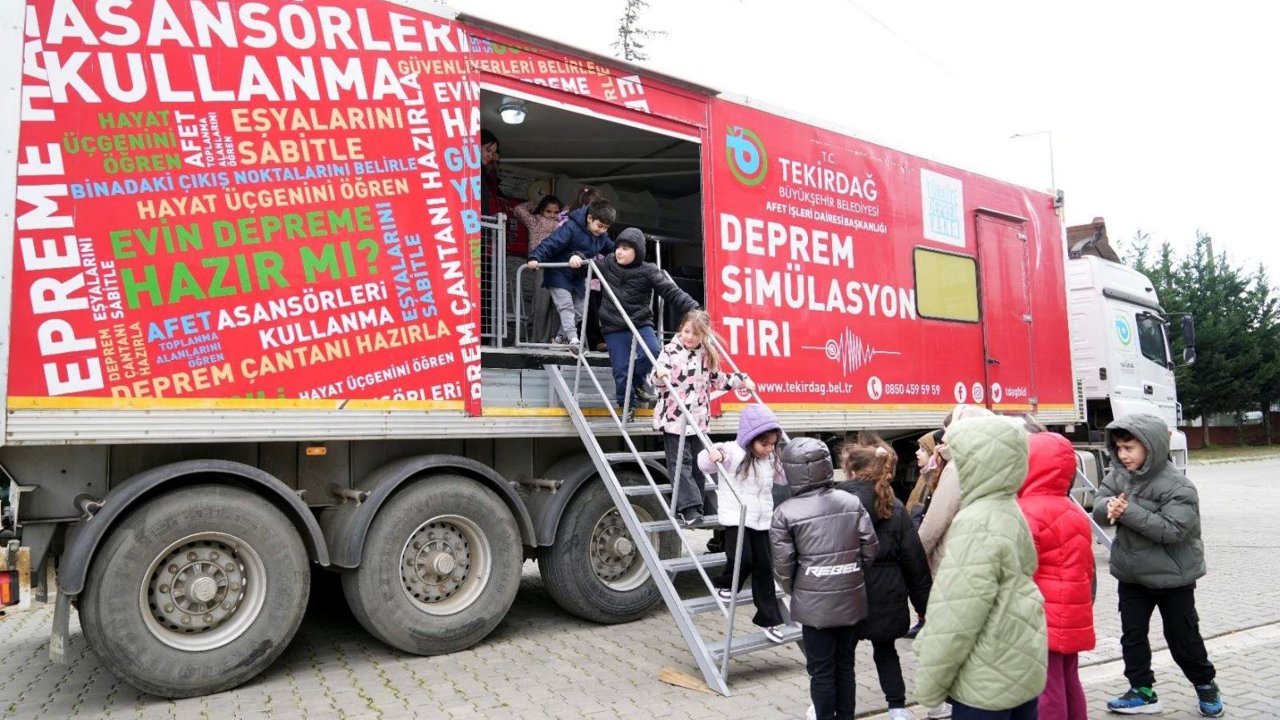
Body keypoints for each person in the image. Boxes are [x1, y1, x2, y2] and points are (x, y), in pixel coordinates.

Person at [914, 415, 1047, 720]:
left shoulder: (975, 523)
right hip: (1020, 663)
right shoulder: (1009, 508)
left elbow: (958, 615)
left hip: (985, 680)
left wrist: (931, 683)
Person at [1092, 414, 1224, 717]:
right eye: (1119, 448)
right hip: (1132, 576)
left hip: (1173, 578)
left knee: (1183, 638)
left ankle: (1205, 684)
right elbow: (1100, 501)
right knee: (1133, 636)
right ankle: (1142, 691)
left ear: (1150, 447)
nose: (1123, 455)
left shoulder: (1179, 486)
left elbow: (1171, 531)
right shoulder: (1119, 476)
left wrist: (1127, 511)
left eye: (1129, 448)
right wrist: (1107, 507)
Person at [770, 437, 878, 720]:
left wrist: (800, 589)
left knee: (820, 672)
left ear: (791, 469)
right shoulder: (851, 501)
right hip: (850, 598)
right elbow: (870, 549)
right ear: (826, 465)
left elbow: (783, 566)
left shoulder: (784, 513)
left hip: (813, 605)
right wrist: (851, 577)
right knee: (846, 666)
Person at [838, 443, 931, 720]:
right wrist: (923, 605)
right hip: (888, 589)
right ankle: (898, 708)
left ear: (851, 471)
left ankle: (833, 706)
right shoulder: (895, 506)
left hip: (848, 590)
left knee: (843, 657)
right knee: (886, 650)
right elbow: (914, 559)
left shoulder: (837, 502)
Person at [1017, 430, 1095, 720]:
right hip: (1072, 613)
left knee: (1046, 688)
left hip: (1041, 615)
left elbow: (1024, 570)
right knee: (1069, 678)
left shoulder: (1027, 512)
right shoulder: (1074, 511)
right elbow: (1087, 568)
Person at [650, 309, 753, 526]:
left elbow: (718, 380)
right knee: (680, 462)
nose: (689, 337)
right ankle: (688, 508)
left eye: (695, 334)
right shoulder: (669, 350)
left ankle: (695, 506)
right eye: (687, 331)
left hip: (698, 419)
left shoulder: (706, 354)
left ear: (703, 336)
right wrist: (660, 375)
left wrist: (742, 380)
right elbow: (655, 378)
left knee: (697, 463)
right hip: (674, 418)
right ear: (681, 329)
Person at [696, 404, 787, 641]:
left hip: (762, 520)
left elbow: (785, 477)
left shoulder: (770, 458)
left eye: (773, 444)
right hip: (737, 517)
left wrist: (793, 460)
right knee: (742, 558)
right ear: (750, 438)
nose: (769, 449)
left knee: (765, 569)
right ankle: (725, 584)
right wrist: (713, 454)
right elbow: (705, 462)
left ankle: (770, 621)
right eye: (764, 444)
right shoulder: (732, 451)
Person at [597, 227, 699, 412]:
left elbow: (670, 291)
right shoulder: (607, 263)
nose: (619, 251)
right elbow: (583, 269)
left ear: (638, 252)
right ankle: (626, 406)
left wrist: (694, 308)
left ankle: (636, 382)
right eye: (618, 246)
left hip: (640, 321)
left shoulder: (648, 270)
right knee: (621, 369)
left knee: (654, 352)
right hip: (613, 325)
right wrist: (576, 257)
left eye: (626, 248)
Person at [526, 198, 616, 351]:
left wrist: (625, 255)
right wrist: (535, 257)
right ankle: (573, 340)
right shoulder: (571, 227)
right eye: (600, 226)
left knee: (580, 310)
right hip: (558, 272)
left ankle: (561, 338)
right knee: (566, 306)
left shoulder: (601, 236)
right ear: (589, 218)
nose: (602, 231)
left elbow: (612, 249)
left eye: (606, 228)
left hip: (577, 275)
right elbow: (551, 243)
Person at [512, 195, 563, 343]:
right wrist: (533, 203)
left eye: (556, 212)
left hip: (559, 266)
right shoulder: (534, 222)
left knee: (556, 306)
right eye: (548, 211)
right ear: (541, 211)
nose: (552, 215)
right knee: (541, 304)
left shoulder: (562, 223)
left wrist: (563, 212)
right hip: (541, 265)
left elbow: (570, 213)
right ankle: (538, 340)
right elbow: (518, 210)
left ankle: (552, 339)